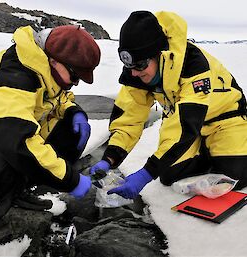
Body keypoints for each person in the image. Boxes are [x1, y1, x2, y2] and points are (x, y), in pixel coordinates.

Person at [0, 25, 100, 230]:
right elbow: (19, 141)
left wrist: (73, 111)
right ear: (54, 60)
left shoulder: (41, 65)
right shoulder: (11, 78)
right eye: (75, 76)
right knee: (7, 160)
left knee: (68, 128)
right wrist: (70, 180)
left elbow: (57, 98)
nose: (76, 84)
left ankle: (28, 182)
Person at [90, 10, 247, 199]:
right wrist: (110, 157)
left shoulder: (194, 66)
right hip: (186, 122)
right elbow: (129, 118)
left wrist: (145, 174)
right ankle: (206, 152)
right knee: (168, 173)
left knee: (233, 178)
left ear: (160, 55)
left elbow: (186, 125)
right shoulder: (139, 73)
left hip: (225, 119)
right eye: (130, 66)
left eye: (140, 65)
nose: (134, 73)